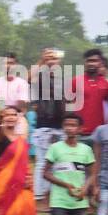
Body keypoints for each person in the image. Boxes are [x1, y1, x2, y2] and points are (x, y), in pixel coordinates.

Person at [30, 47, 67, 203]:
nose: (52, 62)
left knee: (57, 161)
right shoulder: (38, 77)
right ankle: (39, 195)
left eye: (54, 59)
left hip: (59, 126)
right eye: (48, 59)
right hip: (43, 125)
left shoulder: (62, 79)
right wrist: (42, 61)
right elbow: (29, 79)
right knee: (41, 162)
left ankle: (52, 193)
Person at [68, 48, 108, 134]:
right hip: (78, 133)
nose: (91, 63)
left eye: (95, 61)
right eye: (88, 61)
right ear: (85, 63)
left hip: (100, 133)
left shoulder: (107, 83)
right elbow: (67, 105)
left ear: (100, 63)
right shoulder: (75, 81)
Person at [0, 52, 30, 121]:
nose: (8, 66)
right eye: (6, 63)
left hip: (17, 121)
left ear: (16, 65)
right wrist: (11, 109)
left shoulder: (23, 83)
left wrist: (3, 107)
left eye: (11, 63)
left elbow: (22, 106)